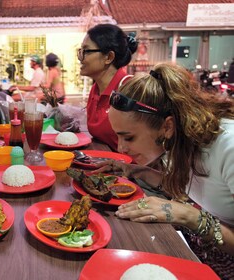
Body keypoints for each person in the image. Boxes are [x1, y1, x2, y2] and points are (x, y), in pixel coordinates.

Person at [99, 62, 233, 278]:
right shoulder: (179, 138)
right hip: (198, 249)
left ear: (167, 127)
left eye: (128, 137)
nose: (120, 148)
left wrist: (190, 216)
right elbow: (189, 185)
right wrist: (132, 171)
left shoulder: (229, 147)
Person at [79, 24, 137, 151]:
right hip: (105, 164)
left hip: (130, 168)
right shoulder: (96, 89)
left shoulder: (129, 90)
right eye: (80, 52)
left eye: (86, 51)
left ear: (109, 57)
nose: (80, 58)